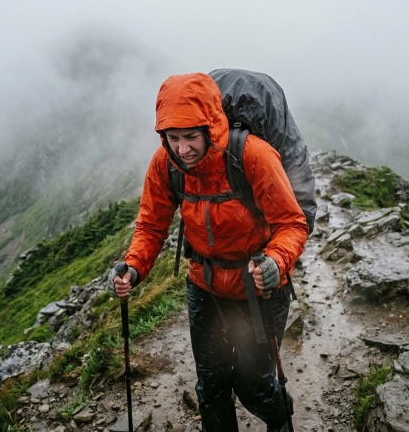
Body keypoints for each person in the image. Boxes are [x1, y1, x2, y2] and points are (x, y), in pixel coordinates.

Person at [109, 72, 308, 432]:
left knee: (255, 386)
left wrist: (277, 262)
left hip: (258, 290)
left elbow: (292, 223)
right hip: (204, 286)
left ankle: (279, 420)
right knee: (211, 386)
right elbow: (151, 225)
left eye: (190, 137)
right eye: (173, 138)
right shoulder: (165, 164)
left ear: (210, 127)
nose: (182, 149)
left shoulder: (253, 155)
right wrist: (133, 267)